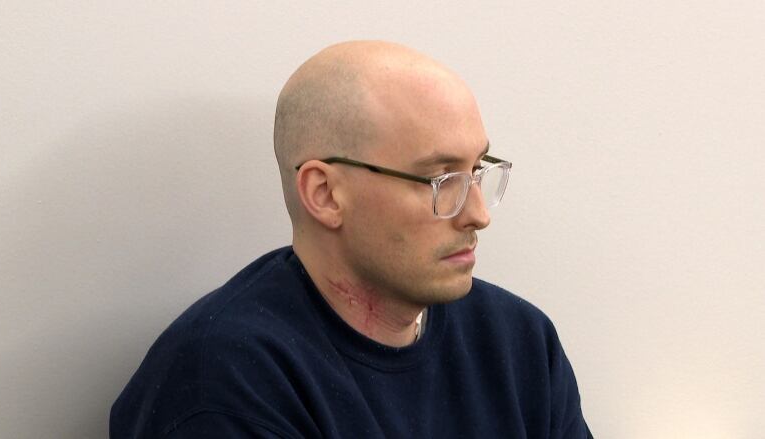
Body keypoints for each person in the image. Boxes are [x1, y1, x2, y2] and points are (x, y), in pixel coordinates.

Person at [110, 40, 592, 438]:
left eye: (477, 171)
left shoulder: (518, 341)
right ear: (325, 194)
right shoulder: (225, 383)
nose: (478, 214)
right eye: (441, 180)